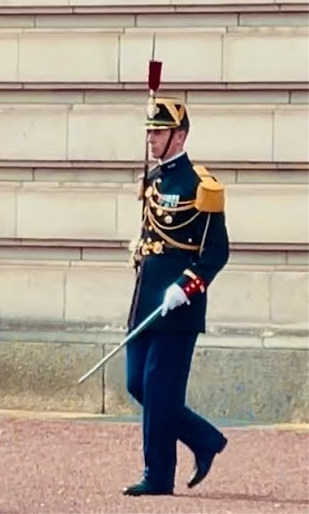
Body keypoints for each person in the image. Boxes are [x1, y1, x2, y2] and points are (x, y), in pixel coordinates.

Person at [122, 66, 229, 497]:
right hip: (146, 298)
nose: (151, 139)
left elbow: (216, 252)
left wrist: (185, 287)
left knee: (159, 386)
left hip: (178, 303)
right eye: (149, 132)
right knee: (137, 384)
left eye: (159, 133)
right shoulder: (154, 178)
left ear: (180, 137)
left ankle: (158, 475)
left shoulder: (200, 185)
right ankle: (204, 439)